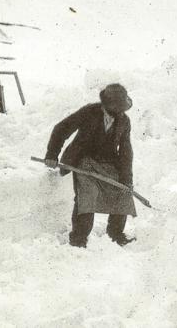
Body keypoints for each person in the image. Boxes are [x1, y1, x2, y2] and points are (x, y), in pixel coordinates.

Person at [44, 83, 136, 247]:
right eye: (117, 107)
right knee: (87, 196)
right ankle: (79, 238)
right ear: (107, 104)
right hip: (83, 161)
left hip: (108, 163)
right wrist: (52, 154)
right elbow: (61, 129)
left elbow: (126, 151)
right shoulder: (89, 112)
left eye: (122, 107)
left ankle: (116, 234)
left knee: (123, 191)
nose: (121, 111)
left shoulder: (124, 121)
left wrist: (126, 178)